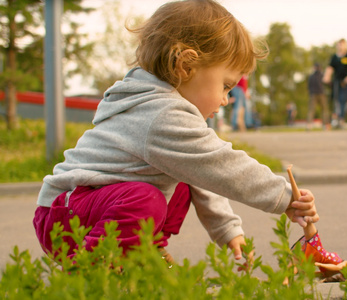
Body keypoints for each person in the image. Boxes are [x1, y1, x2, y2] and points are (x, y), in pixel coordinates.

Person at [33, 0, 319, 266]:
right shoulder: (162, 114)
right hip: (64, 218)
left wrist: (228, 230)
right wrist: (284, 197)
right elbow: (222, 165)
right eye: (225, 85)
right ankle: (92, 270)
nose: (225, 99)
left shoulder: (165, 111)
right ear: (186, 66)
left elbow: (206, 173)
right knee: (146, 199)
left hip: (87, 208)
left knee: (179, 182)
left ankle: (144, 251)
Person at [323, 39, 347, 129]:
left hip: (345, 82)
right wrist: (326, 77)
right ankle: (335, 119)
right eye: (339, 45)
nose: (340, 46)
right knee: (335, 99)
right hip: (336, 81)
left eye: (342, 45)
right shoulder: (335, 57)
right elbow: (330, 68)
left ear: (345, 45)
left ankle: (342, 119)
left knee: (343, 100)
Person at [306, 63, 330, 130]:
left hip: (314, 94)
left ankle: (309, 125)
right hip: (320, 94)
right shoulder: (322, 75)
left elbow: (309, 86)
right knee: (324, 110)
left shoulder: (312, 76)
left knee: (312, 110)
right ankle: (325, 125)